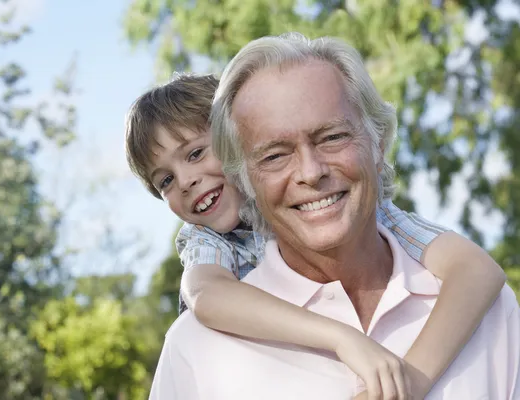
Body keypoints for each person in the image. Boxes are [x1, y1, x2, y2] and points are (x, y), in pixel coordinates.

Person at [125, 48, 511, 399]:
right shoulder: (207, 249)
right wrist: (340, 337)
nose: (186, 181)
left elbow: (476, 269)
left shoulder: (374, 212)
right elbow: (206, 296)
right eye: (165, 181)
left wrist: (412, 380)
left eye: (195, 153)